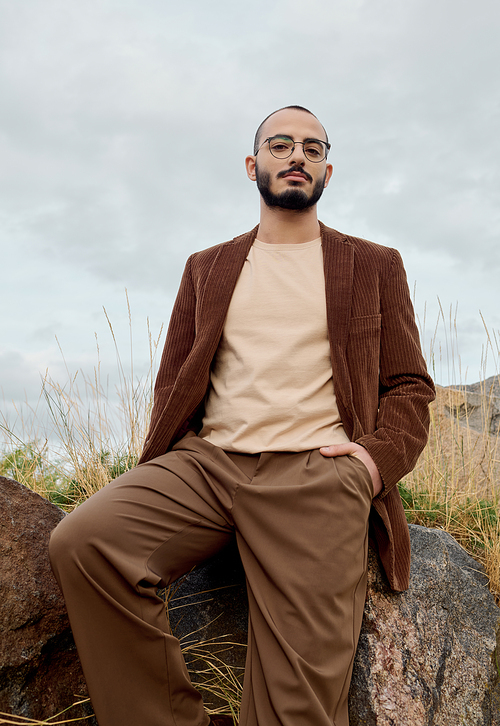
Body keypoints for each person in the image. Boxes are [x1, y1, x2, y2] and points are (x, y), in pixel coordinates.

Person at [49, 105, 435, 726]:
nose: (297, 156)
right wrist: (169, 456)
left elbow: (410, 385)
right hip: (207, 467)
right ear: (254, 165)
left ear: (327, 172)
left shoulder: (374, 264)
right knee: (86, 542)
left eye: (313, 148)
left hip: (316, 476)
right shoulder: (208, 267)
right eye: (281, 145)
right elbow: (175, 379)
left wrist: (369, 464)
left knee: (295, 712)